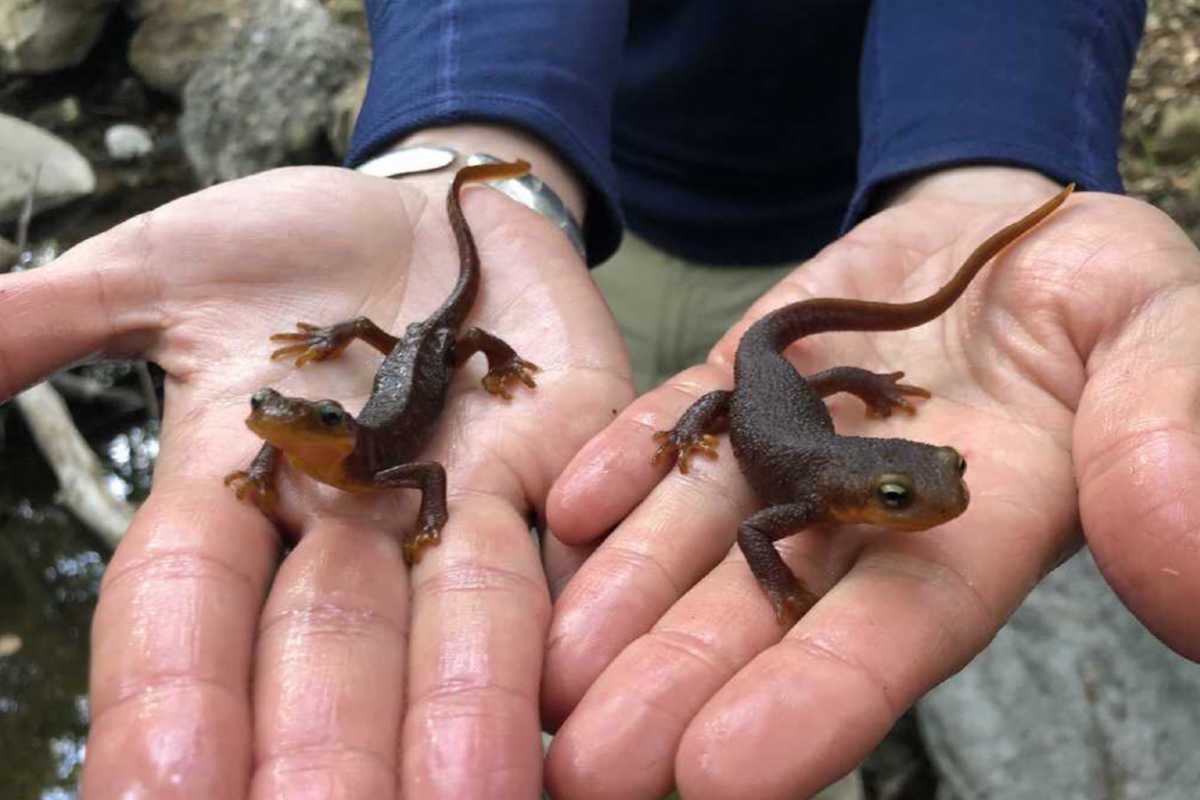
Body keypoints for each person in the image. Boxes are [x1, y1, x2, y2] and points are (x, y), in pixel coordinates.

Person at [4, 1, 1196, 799]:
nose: (923, 500)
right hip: (581, 230)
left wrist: (995, 158)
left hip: (858, 208)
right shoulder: (813, 488)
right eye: (905, 487)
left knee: (753, 703)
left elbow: (755, 506)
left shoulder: (825, 488)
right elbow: (749, 479)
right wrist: (468, 129)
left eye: (918, 486)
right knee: (562, 595)